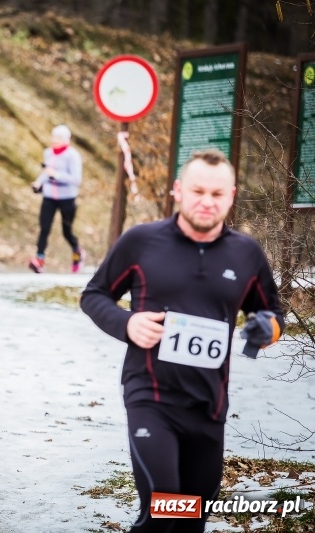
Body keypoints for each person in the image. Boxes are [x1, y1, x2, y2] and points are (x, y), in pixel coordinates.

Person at [80, 149, 283, 533]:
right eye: (197, 191)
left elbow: (273, 314)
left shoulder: (246, 254)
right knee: (163, 509)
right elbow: (94, 295)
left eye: (217, 194)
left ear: (232, 195)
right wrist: (127, 323)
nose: (207, 201)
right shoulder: (141, 242)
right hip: (151, 400)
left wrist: (265, 329)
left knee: (190, 521)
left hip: (208, 409)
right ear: (178, 190)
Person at [29, 124, 84, 274]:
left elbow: (76, 179)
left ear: (66, 140)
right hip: (49, 196)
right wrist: (38, 182)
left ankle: (77, 252)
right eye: (53, 137)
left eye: (58, 138)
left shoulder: (72, 155)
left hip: (67, 198)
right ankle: (39, 260)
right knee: (44, 228)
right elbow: (46, 172)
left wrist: (57, 175)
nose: (55, 140)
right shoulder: (48, 153)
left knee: (67, 231)